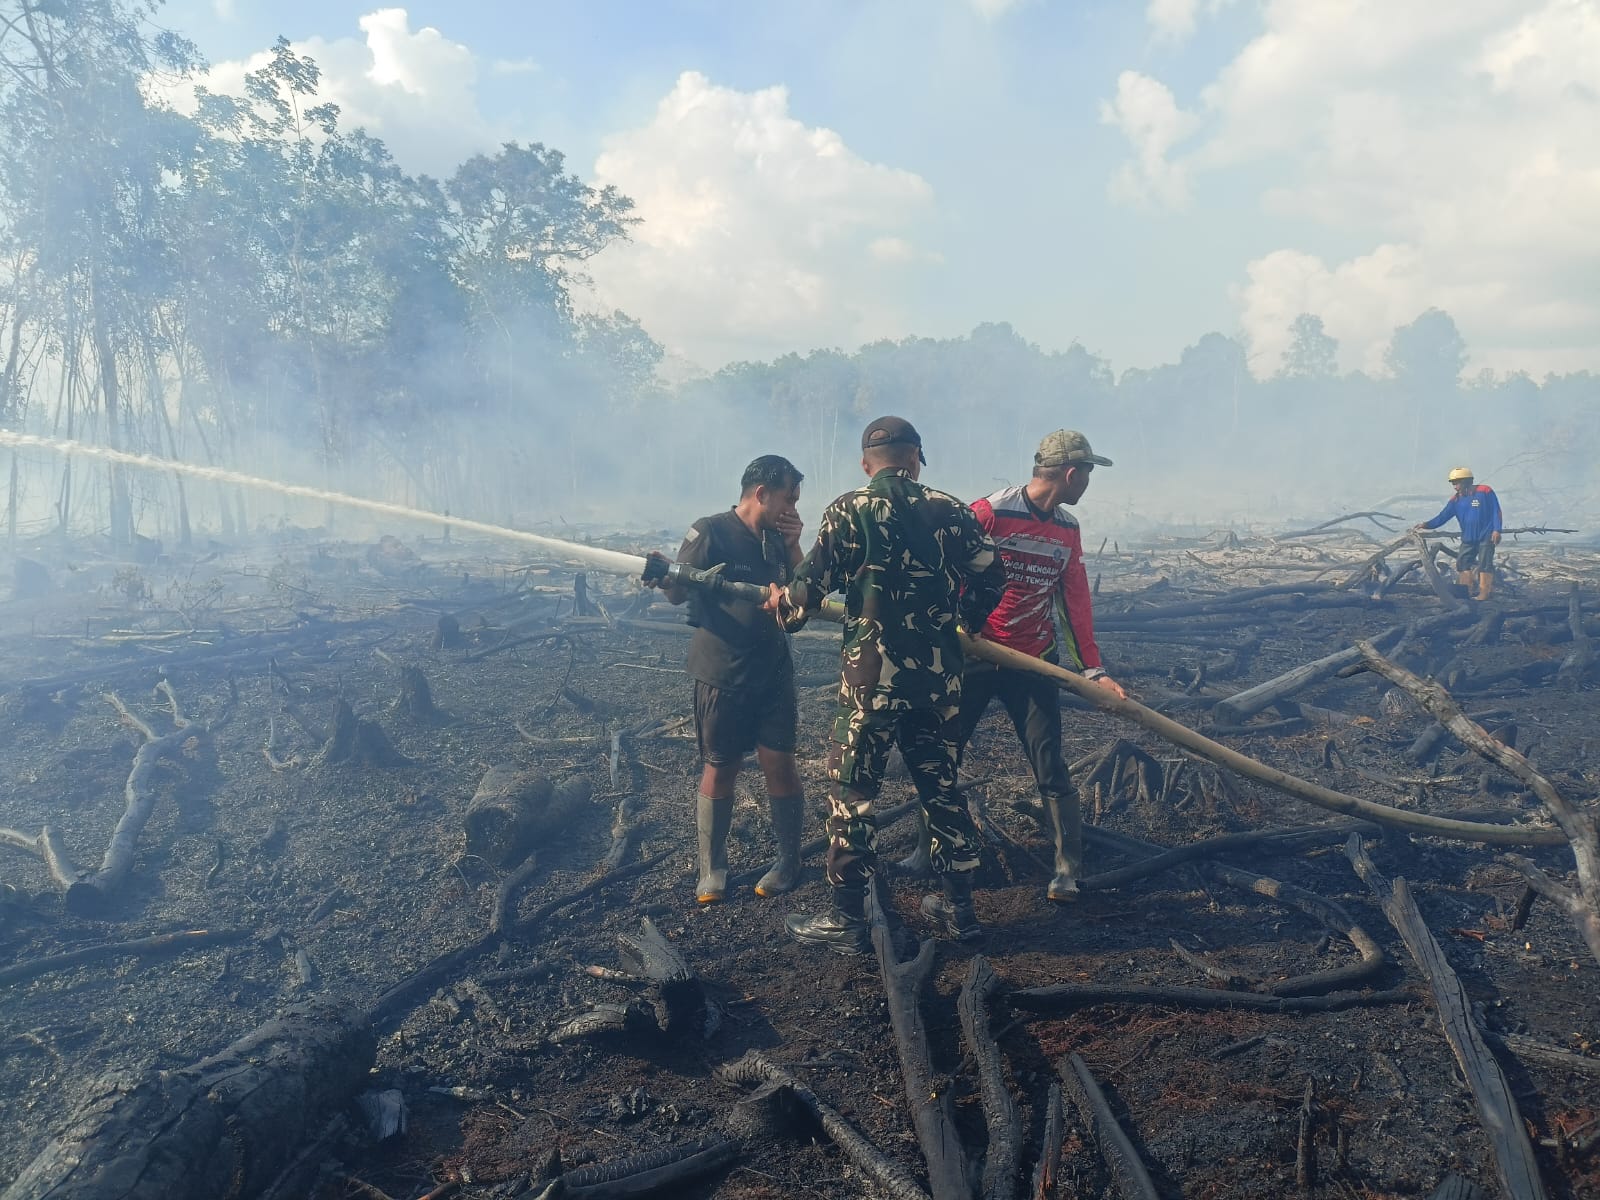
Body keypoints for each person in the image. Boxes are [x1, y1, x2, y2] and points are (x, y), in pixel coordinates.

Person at [764, 416, 1007, 955]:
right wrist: (966, 620)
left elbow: (806, 594)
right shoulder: (950, 510)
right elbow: (993, 572)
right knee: (941, 790)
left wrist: (783, 603)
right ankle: (961, 912)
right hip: (939, 681)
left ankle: (847, 920)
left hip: (869, 685)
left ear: (865, 463)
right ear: (917, 458)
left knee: (854, 796)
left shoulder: (849, 511)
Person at [904, 429, 1127, 900]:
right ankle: (927, 853)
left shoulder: (1067, 529)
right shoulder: (988, 512)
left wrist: (1094, 670)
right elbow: (944, 566)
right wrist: (957, 626)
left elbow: (1074, 600)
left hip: (1035, 662)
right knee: (943, 754)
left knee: (1050, 763)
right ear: (1070, 474)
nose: (1087, 482)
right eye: (1087, 473)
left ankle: (1067, 868)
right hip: (974, 656)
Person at [647, 455, 808, 904]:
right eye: (788, 498)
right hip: (722, 672)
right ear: (762, 493)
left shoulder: (778, 539)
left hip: (773, 670)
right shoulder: (711, 531)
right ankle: (712, 869)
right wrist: (661, 576)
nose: (793, 507)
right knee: (721, 766)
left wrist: (795, 546)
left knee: (781, 765)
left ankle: (788, 860)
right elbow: (677, 592)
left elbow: (804, 593)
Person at [1414, 467, 1503, 601]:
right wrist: (1426, 525)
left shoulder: (1485, 491)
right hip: (1468, 538)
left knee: (1485, 563)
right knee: (1462, 562)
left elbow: (1496, 511)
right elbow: (1442, 517)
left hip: (1486, 535)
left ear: (1467, 481)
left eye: (1457, 483)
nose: (1455, 487)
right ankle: (1466, 590)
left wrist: (1497, 530)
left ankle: (1485, 593)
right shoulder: (1455, 501)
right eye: (1453, 484)